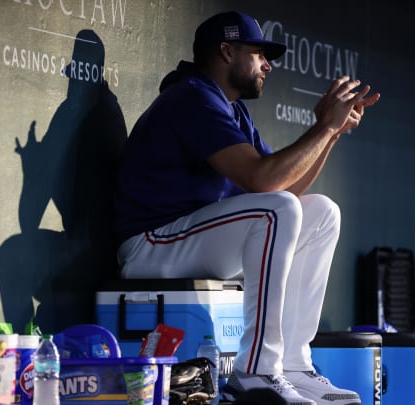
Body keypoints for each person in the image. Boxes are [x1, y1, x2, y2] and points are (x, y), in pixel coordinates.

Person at [114, 11, 380, 405]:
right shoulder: (191, 96)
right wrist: (322, 128)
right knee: (276, 211)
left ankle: (291, 364)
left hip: (187, 240)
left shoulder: (232, 108)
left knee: (321, 213)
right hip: (149, 245)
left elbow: (284, 186)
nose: (267, 65)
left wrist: (333, 133)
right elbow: (261, 182)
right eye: (258, 54)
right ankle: (256, 370)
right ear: (226, 51)